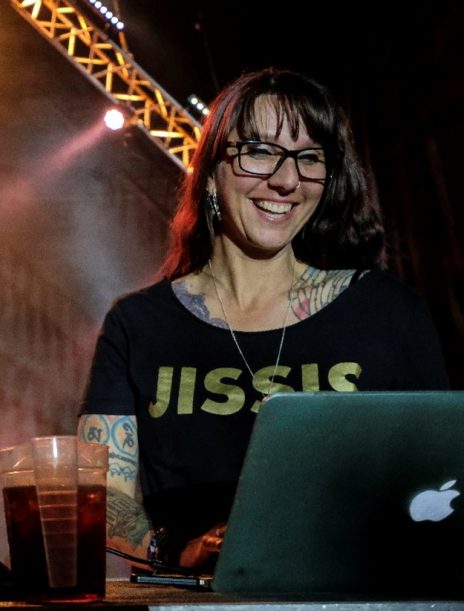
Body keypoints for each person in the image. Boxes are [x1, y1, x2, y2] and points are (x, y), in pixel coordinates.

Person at [78, 67, 450, 574]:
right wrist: (180, 552)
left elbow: (440, 480)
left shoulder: (388, 312)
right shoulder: (137, 325)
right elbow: (100, 495)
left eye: (309, 158)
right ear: (211, 170)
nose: (287, 180)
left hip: (356, 608)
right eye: (259, 151)